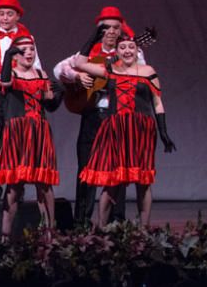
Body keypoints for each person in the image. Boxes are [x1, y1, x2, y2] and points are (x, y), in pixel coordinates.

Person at [73, 31, 174, 228]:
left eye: (131, 47)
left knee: (143, 181)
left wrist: (163, 132)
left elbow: (157, 102)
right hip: (116, 129)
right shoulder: (110, 69)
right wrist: (94, 38)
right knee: (112, 181)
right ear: (116, 52)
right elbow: (80, 63)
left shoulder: (148, 71)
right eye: (122, 47)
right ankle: (102, 228)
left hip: (142, 130)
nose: (127, 51)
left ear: (137, 51)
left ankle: (143, 229)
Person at [54, 6, 143, 226]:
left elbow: (140, 76)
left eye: (115, 27)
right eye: (106, 28)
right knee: (86, 168)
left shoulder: (132, 51)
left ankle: (116, 221)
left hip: (117, 116)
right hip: (93, 115)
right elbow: (58, 69)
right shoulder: (89, 53)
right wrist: (78, 76)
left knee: (117, 169)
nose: (111, 32)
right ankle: (81, 221)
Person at [0, 34, 61, 239]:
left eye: (31, 49)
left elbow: (49, 103)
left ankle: (49, 232)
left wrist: (59, 93)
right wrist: (8, 57)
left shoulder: (40, 73)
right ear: (16, 55)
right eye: (24, 49)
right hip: (17, 132)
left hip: (38, 131)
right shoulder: (11, 73)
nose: (29, 52)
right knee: (14, 185)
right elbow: (5, 82)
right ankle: (5, 236)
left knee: (44, 183)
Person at [0, 0, 41, 203]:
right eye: (1, 13)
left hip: (17, 93)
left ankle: (15, 190)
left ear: (18, 16)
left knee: (16, 140)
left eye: (9, 14)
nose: (5, 18)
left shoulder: (26, 36)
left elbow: (36, 65)